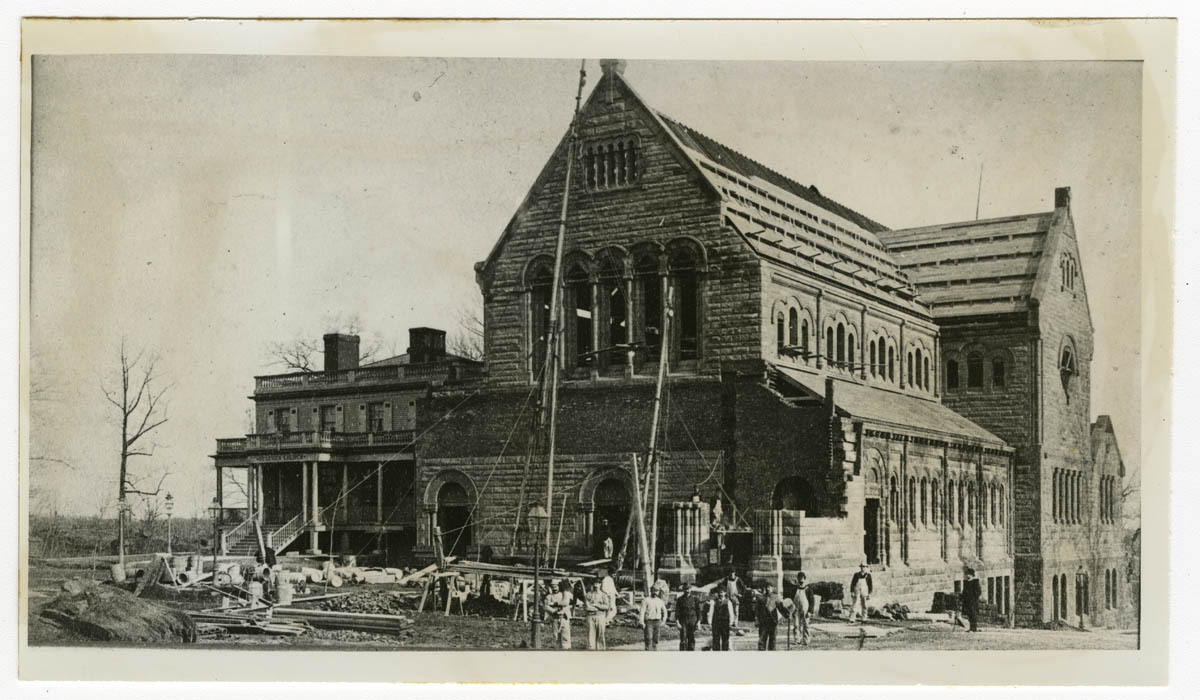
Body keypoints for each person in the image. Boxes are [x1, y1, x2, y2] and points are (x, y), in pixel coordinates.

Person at [544, 579, 575, 649]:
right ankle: (557, 649)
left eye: (556, 586)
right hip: (555, 618)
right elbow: (546, 606)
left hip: (564, 618)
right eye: (552, 587)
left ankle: (566, 649)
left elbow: (566, 603)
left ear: (559, 586)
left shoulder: (564, 595)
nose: (554, 588)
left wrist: (557, 606)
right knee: (556, 636)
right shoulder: (549, 596)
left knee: (565, 635)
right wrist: (554, 611)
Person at [755, 583, 785, 650]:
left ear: (772, 588)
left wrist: (784, 615)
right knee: (762, 642)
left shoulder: (776, 598)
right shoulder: (761, 598)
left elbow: (781, 608)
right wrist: (756, 619)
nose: (768, 589)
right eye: (767, 587)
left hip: (773, 622)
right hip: (763, 623)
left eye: (769, 587)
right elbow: (757, 610)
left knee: (772, 642)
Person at [584, 579, 610, 650]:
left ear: (600, 584)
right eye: (594, 583)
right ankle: (591, 651)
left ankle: (601, 651)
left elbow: (606, 606)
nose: (596, 585)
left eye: (598, 583)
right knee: (590, 635)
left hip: (600, 616)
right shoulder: (589, 594)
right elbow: (587, 607)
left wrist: (596, 605)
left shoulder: (603, 595)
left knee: (600, 635)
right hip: (590, 616)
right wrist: (597, 608)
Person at [675, 584, 702, 651]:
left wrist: (698, 622)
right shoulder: (680, 599)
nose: (687, 591)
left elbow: (698, 612)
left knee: (691, 638)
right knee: (683, 638)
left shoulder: (695, 599)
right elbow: (677, 612)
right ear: (683, 590)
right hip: (683, 621)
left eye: (688, 589)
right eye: (686, 589)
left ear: (691, 589)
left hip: (692, 621)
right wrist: (677, 622)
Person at [792, 572, 814, 646]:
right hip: (796, 610)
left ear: (805, 579)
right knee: (796, 625)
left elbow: (812, 601)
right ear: (798, 580)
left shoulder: (808, 590)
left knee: (806, 625)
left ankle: (806, 640)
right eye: (799, 579)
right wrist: (791, 610)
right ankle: (797, 639)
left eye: (802, 579)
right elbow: (791, 600)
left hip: (805, 610)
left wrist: (810, 611)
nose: (801, 581)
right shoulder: (795, 589)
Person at [962, 568, 982, 632]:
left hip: (973, 601)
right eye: (967, 574)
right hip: (967, 601)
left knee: (973, 614)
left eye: (969, 574)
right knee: (969, 614)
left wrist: (974, 597)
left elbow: (978, 592)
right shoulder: (966, 583)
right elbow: (964, 592)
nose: (967, 576)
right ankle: (971, 628)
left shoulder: (975, 582)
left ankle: (974, 628)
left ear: (972, 575)